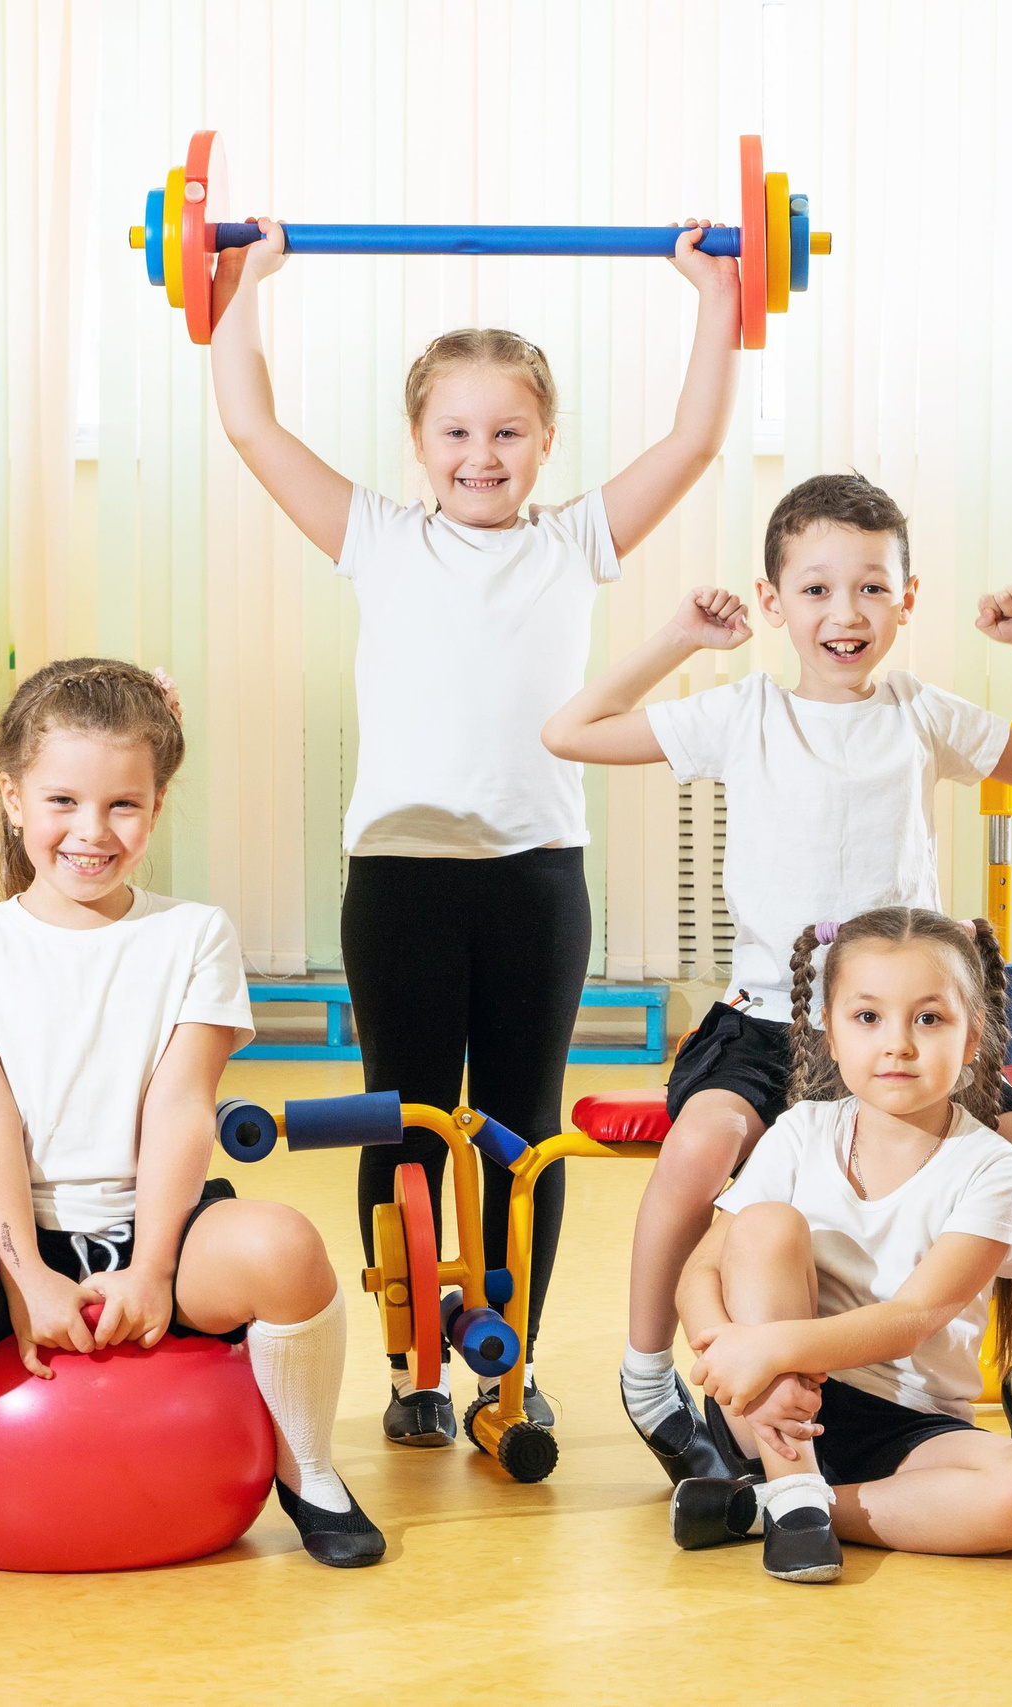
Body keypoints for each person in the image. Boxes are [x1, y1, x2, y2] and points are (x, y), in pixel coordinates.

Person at [208, 210, 741, 1443]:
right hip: (398, 879)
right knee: (400, 1114)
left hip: (535, 880)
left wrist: (711, 295)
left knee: (520, 1129)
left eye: (508, 432)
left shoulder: (575, 545)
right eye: (457, 431)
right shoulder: (377, 539)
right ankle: (413, 1373)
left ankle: (511, 1361)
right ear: (418, 441)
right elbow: (250, 426)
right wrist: (245, 282)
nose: (482, 453)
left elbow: (698, 436)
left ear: (547, 441)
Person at [0, 659, 383, 1596]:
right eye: (62, 799)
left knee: (288, 1247)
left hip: (157, 1218)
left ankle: (310, 1471)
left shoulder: (194, 934)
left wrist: (155, 1265)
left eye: (124, 805)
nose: (92, 833)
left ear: (158, 806)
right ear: (13, 799)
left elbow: (179, 1107)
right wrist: (25, 1278)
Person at [541, 472, 1012, 1483]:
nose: (846, 614)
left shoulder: (920, 714)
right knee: (701, 1150)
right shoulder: (740, 712)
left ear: (907, 601)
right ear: (772, 603)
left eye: (873, 589)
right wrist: (675, 641)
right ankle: (648, 1366)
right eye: (816, 590)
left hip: (902, 1023)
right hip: (766, 1022)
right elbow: (569, 732)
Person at [668, 908, 1012, 1583]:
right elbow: (701, 1269)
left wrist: (768, 1347)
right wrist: (728, 1350)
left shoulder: (993, 1165)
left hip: (910, 1426)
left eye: (929, 1018)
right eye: (868, 1017)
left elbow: (910, 1318)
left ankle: (766, 1508)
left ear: (973, 1037)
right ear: (828, 1031)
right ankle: (791, 1487)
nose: (898, 1045)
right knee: (766, 1224)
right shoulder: (800, 1132)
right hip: (773, 1401)